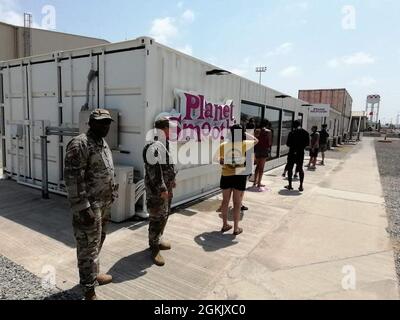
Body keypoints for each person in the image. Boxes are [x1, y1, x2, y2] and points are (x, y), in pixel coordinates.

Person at [64, 109, 118, 300]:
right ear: (91, 123)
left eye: (107, 122)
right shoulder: (80, 144)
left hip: (103, 204)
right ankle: (88, 289)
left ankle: (93, 275)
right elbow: (72, 178)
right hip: (88, 207)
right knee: (87, 247)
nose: (105, 126)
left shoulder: (101, 142)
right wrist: (82, 207)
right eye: (101, 122)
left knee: (97, 243)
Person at [143, 114, 177, 267]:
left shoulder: (165, 143)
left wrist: (172, 180)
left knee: (164, 215)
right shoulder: (153, 145)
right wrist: (163, 188)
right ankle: (154, 247)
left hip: (166, 188)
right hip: (157, 191)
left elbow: (168, 166)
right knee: (156, 218)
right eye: (170, 128)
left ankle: (158, 239)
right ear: (163, 129)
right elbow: (154, 171)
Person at [215, 124, 258, 236]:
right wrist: (245, 133)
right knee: (237, 202)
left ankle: (224, 225)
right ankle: (236, 228)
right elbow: (256, 140)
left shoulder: (224, 145)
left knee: (225, 201)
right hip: (239, 174)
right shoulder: (244, 144)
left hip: (226, 174)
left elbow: (218, 159)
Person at [284, 120, 310, 192]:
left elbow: (288, 144)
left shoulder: (291, 133)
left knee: (290, 168)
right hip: (300, 153)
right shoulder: (306, 133)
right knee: (300, 168)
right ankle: (301, 186)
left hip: (292, 152)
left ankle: (290, 185)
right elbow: (307, 144)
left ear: (293, 126)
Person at [253, 119, 272, 190]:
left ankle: (254, 182)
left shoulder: (257, 130)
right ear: (266, 124)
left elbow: (254, 140)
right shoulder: (268, 132)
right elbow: (270, 143)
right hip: (264, 150)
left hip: (257, 149)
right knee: (261, 167)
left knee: (257, 166)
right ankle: (259, 183)